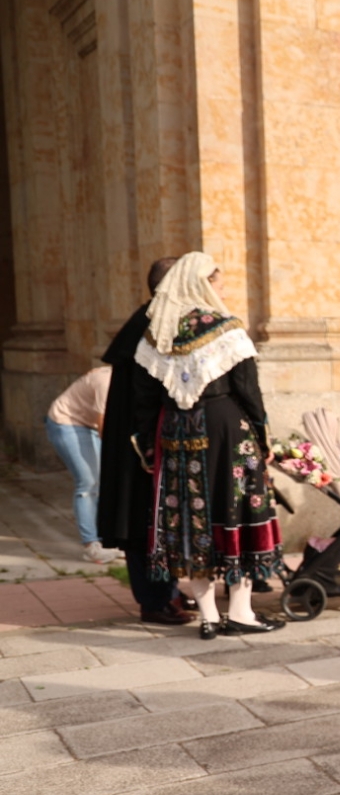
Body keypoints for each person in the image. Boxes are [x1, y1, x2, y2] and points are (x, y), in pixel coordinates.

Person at [133, 252, 285, 639]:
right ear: (202, 285)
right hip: (226, 430)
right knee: (236, 510)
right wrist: (262, 435)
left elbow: (144, 399)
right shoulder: (225, 328)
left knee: (188, 520)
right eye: (219, 284)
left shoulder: (158, 331)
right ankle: (241, 613)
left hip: (176, 434)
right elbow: (248, 389)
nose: (224, 291)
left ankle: (208, 616)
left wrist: (149, 447)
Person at [98, 257, 192, 625]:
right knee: (142, 520)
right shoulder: (152, 324)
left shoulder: (151, 318)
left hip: (141, 437)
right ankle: (154, 600)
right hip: (140, 443)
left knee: (153, 517)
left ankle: (166, 591)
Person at [44, 366, 117, 564]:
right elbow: (104, 424)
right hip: (67, 421)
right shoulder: (106, 382)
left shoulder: (130, 382)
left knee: (104, 482)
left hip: (90, 422)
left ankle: (108, 539)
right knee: (88, 482)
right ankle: (91, 545)